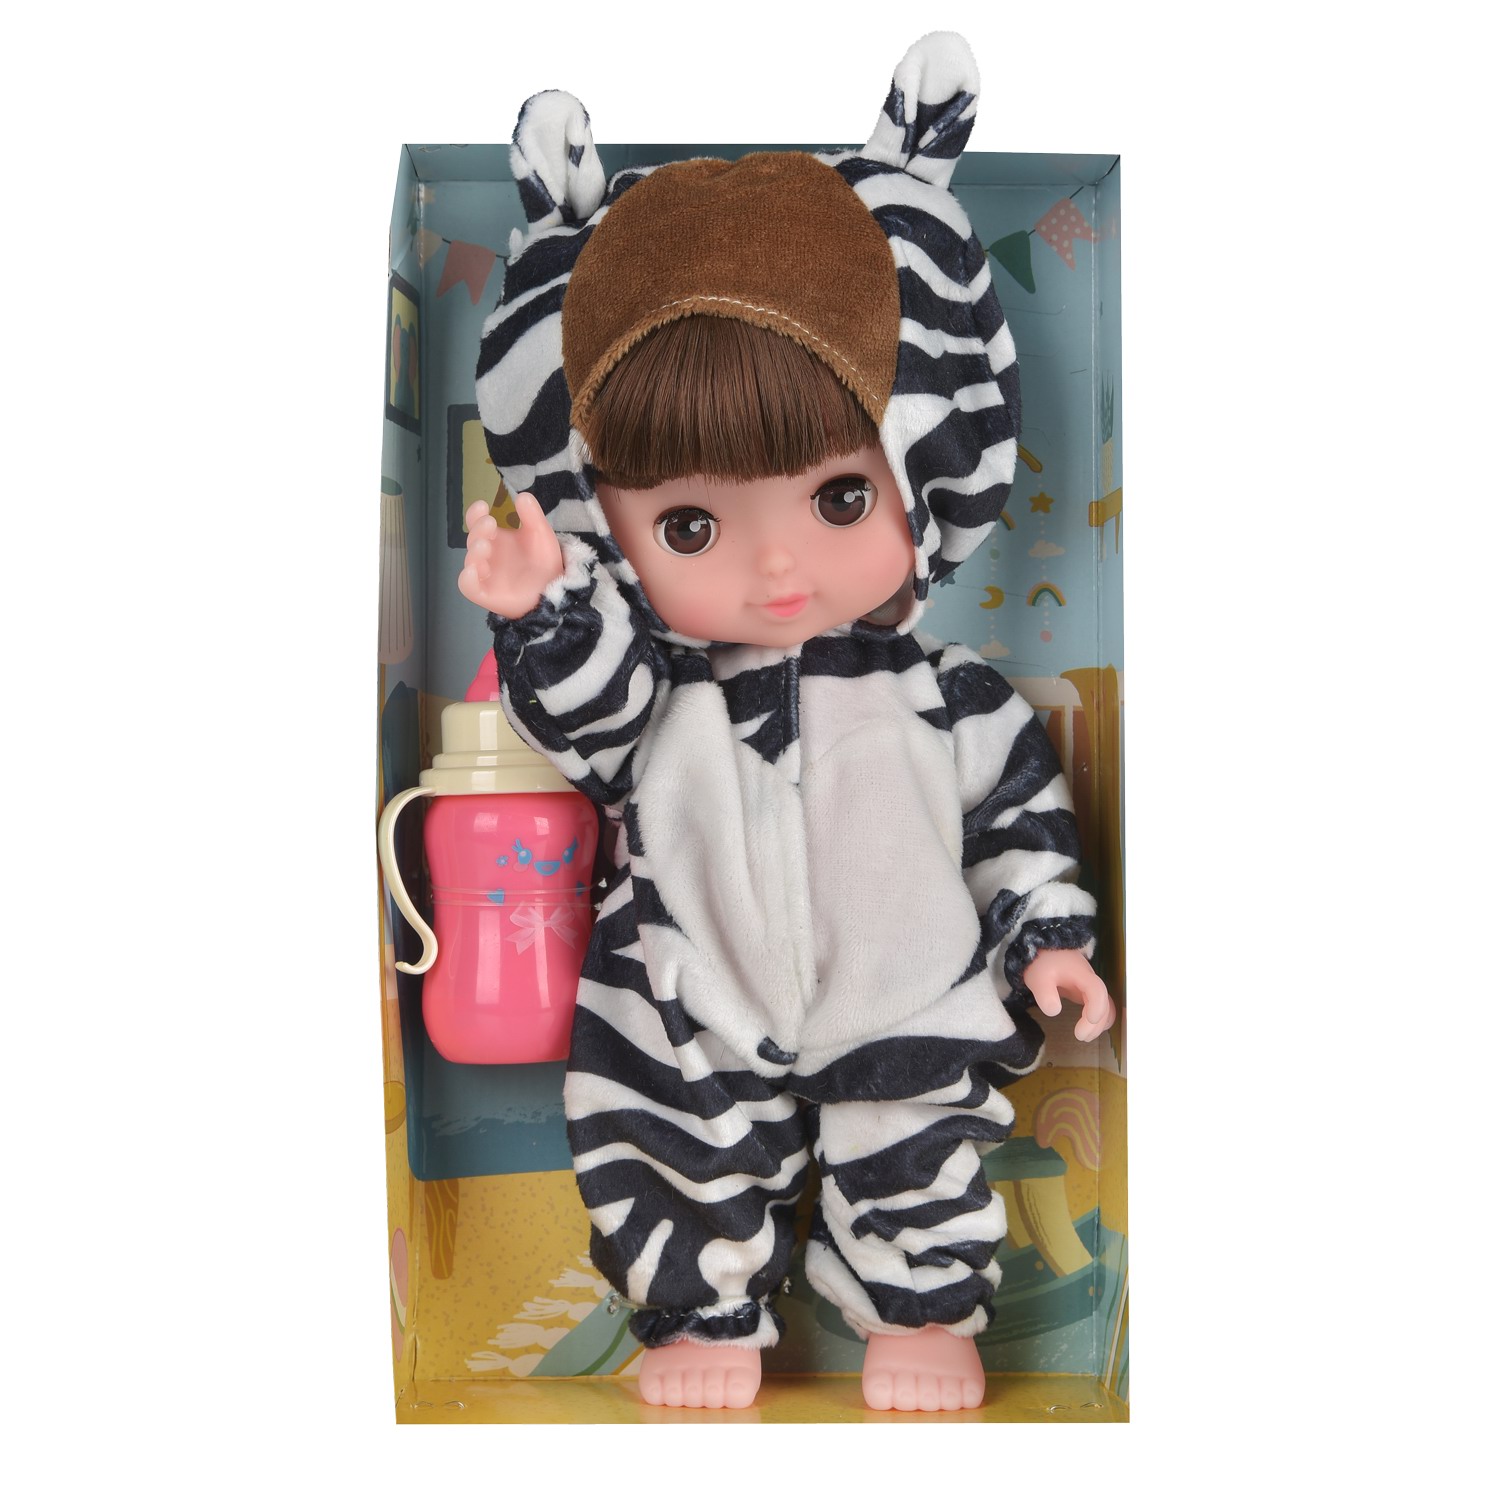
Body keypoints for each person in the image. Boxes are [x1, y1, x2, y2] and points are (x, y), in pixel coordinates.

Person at [460, 33, 1114, 1412]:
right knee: (663, 1134)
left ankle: (921, 1307)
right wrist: (545, 612)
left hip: (906, 982)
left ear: (926, 467)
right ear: (601, 518)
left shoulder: (947, 693)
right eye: (690, 526)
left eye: (838, 499)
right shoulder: (658, 693)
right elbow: (588, 721)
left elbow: (1016, 820)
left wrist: (1047, 937)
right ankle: (700, 1312)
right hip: (690, 985)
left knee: (916, 1142)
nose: (775, 568)